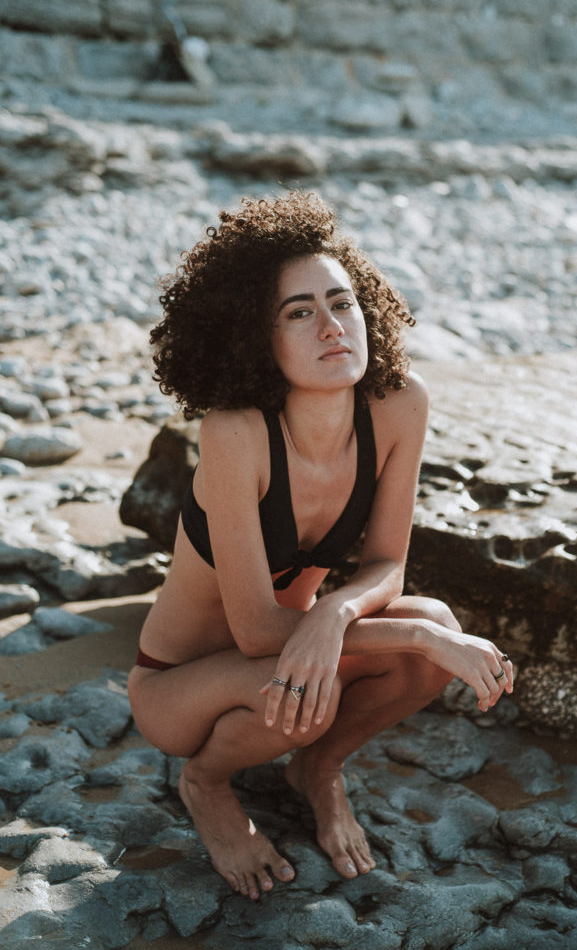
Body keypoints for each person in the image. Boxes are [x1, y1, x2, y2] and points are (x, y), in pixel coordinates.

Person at [127, 191, 513, 901]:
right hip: (183, 686)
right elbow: (253, 631)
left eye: (342, 303)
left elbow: (387, 565)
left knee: (432, 625)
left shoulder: (398, 405)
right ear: (255, 338)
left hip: (292, 648)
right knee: (335, 677)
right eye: (298, 312)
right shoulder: (235, 432)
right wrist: (404, 641)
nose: (331, 326)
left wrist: (338, 615)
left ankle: (317, 770)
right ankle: (206, 783)